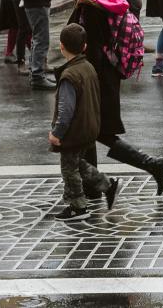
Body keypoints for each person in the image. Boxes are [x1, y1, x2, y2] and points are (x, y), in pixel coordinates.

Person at [68, 0, 163, 194]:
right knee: (92, 131)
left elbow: (92, 45)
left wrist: (83, 80)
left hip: (96, 77)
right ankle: (93, 185)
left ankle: (151, 165)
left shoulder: (89, 4)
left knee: (95, 130)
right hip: (107, 74)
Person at [48, 23, 122, 221]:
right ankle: (107, 185)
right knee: (78, 163)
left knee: (69, 168)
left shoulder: (69, 75)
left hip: (74, 131)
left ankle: (77, 206)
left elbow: (65, 111)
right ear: (85, 47)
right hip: (89, 128)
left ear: (61, 47)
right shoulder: (88, 67)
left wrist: (56, 134)